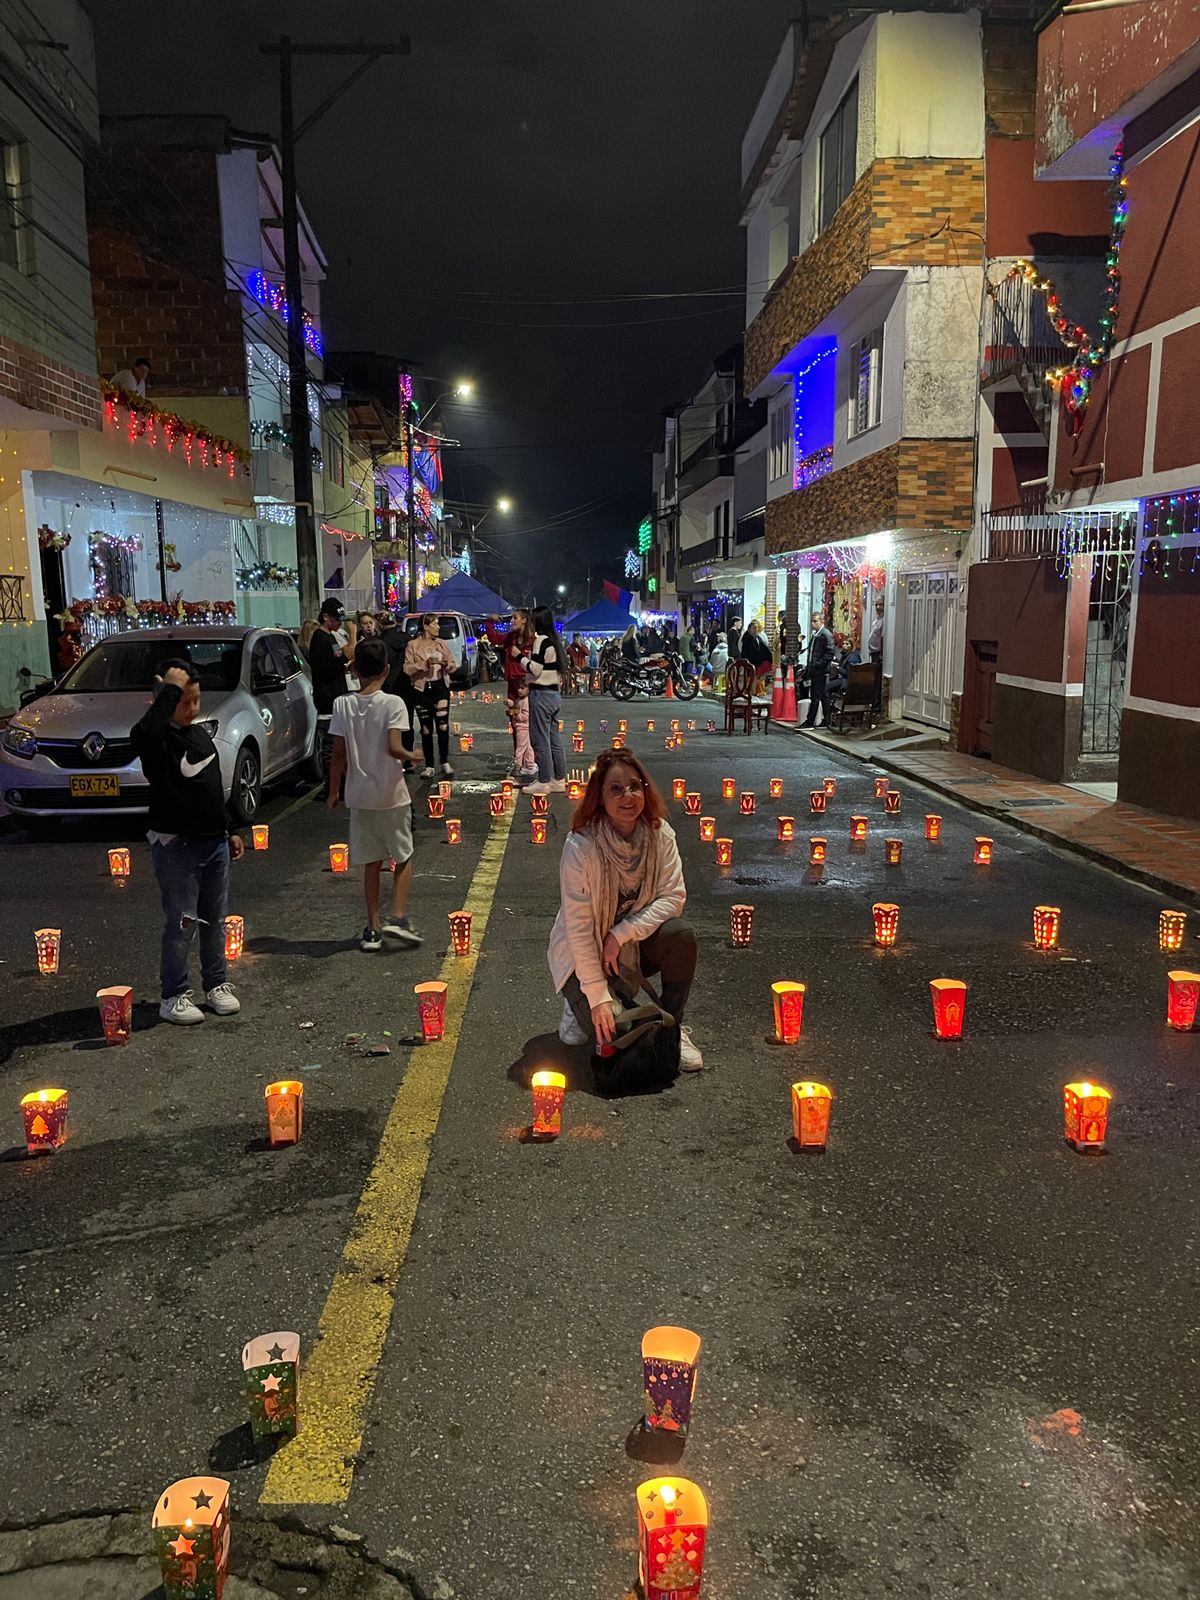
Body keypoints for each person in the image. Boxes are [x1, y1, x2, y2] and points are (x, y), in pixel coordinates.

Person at [548, 748, 701, 1071]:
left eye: (634, 786)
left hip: (627, 949)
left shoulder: (660, 836)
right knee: (616, 1036)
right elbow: (578, 928)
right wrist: (598, 996)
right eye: (615, 789)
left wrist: (621, 934)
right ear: (599, 798)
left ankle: (673, 1029)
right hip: (582, 954)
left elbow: (674, 898)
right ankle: (580, 997)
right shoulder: (581, 846)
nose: (627, 796)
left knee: (680, 935)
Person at [130, 659, 244, 1025]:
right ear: (165, 699)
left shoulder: (198, 734)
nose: (192, 709)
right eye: (184, 702)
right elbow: (141, 735)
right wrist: (168, 694)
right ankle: (173, 993)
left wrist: (230, 828)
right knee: (182, 923)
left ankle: (216, 984)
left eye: (196, 700)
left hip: (213, 843)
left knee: (215, 920)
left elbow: (209, 788)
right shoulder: (159, 739)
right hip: (177, 845)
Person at [327, 636, 423, 953]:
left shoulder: (342, 704)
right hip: (392, 795)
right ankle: (398, 916)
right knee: (403, 856)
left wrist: (333, 791)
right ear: (386, 669)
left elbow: (338, 754)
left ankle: (373, 928)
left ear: (357, 670)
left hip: (359, 795)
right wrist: (413, 755)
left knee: (371, 862)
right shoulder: (393, 704)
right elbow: (394, 747)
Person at [306, 598, 355, 781]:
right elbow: (347, 654)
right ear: (326, 617)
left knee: (339, 743)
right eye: (336, 619)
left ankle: (339, 780)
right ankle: (332, 784)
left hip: (337, 695)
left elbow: (340, 660)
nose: (339, 622)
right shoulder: (320, 639)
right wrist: (353, 635)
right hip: (328, 700)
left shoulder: (330, 637)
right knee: (330, 745)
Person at [521, 603, 567, 794]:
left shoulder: (540, 641)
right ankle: (559, 779)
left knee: (540, 739)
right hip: (554, 695)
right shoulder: (555, 641)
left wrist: (519, 658)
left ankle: (544, 780)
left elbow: (536, 669)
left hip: (541, 695)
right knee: (554, 738)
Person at [404, 611, 456, 778]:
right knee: (426, 729)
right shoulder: (413, 645)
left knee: (443, 725)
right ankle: (429, 765)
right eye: (435, 624)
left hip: (440, 687)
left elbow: (453, 665)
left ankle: (444, 760)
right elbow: (407, 669)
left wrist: (444, 664)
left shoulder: (441, 644)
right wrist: (424, 664)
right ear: (425, 626)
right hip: (422, 689)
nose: (438, 627)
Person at [804, 611, 836, 729]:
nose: (813, 624)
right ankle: (827, 720)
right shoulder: (816, 635)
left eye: (815, 621)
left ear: (821, 621)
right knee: (823, 695)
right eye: (812, 621)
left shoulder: (825, 634)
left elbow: (829, 653)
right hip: (815, 669)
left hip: (820, 671)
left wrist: (818, 664)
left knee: (815, 696)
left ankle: (810, 721)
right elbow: (812, 652)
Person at [740, 618, 773, 692]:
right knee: (752, 678)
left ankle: (752, 692)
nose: (756, 630)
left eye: (757, 628)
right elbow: (750, 652)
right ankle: (751, 692)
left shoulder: (756, 638)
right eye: (754, 628)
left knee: (757, 678)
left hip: (757, 661)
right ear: (749, 629)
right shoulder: (748, 639)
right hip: (751, 662)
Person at [868, 596, 885, 711]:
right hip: (873, 653)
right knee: (873, 680)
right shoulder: (877, 619)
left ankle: (877, 704)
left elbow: (883, 638)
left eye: (881, 605)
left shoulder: (884, 620)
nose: (878, 607)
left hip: (878, 654)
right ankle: (873, 703)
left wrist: (881, 655)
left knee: (877, 680)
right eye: (876, 605)